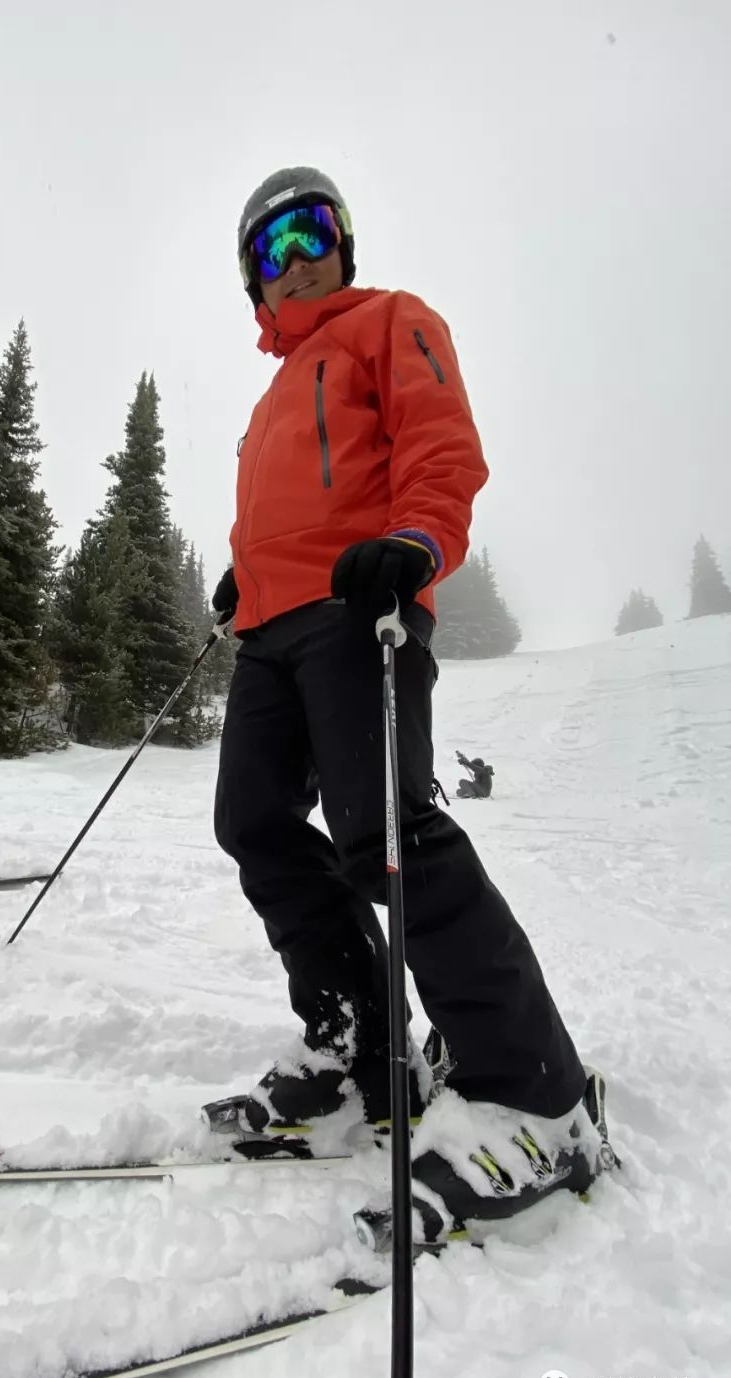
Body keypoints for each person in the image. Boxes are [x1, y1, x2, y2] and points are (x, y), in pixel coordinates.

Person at [210, 167, 605, 1228]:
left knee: (386, 831)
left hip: (362, 604)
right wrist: (247, 575)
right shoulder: (269, 396)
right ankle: (361, 1053)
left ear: (345, 241)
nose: (298, 259)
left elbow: (439, 446)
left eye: (313, 231)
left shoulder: (392, 321)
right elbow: (290, 506)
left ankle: (537, 1095)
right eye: (273, 247)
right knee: (253, 823)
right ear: (253, 279)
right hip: (269, 631)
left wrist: (419, 540)